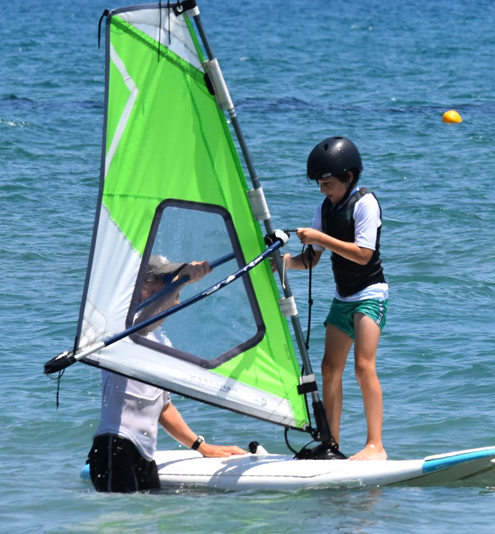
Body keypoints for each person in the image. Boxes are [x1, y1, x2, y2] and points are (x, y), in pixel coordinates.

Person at [88, 255, 246, 493]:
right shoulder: (122, 329)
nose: (172, 284)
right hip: (114, 447)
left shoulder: (161, 341)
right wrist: (182, 281)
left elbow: (162, 407)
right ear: (142, 289)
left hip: (144, 454)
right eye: (166, 279)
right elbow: (143, 323)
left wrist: (202, 447)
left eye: (172, 278)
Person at [283, 136, 388, 461]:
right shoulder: (324, 210)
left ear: (349, 177)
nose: (322, 190)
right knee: (329, 368)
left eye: (327, 183)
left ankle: (376, 447)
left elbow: (363, 254)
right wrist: (284, 262)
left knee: (363, 366)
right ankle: (331, 443)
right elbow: (312, 259)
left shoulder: (365, 203)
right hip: (343, 297)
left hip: (371, 293)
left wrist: (320, 238)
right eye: (319, 184)